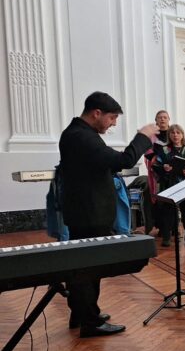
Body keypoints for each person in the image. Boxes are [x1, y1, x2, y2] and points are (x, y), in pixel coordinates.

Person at [59, 91, 157, 337]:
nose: (113, 123)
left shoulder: (78, 134)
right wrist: (143, 137)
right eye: (112, 118)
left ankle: (82, 312)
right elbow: (122, 160)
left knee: (84, 266)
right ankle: (90, 322)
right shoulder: (82, 137)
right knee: (89, 268)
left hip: (85, 211)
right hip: (89, 214)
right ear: (97, 113)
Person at [153, 124, 185, 247]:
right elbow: (156, 166)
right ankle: (166, 237)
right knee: (168, 211)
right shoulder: (164, 150)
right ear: (169, 135)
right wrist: (164, 168)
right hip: (169, 185)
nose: (175, 135)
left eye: (178, 132)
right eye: (172, 133)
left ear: (182, 135)